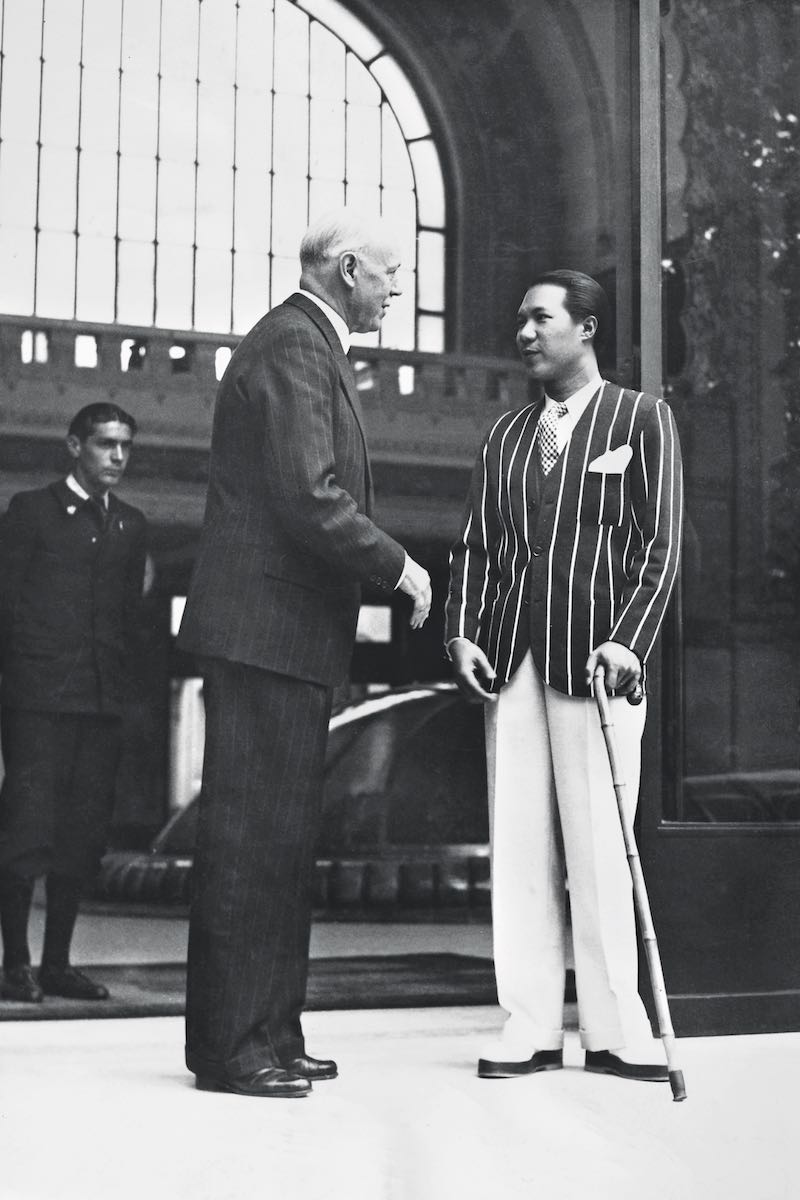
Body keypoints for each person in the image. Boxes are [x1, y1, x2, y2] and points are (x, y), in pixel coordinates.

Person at [177, 208, 432, 1099]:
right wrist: (399, 566)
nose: (398, 291)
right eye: (392, 274)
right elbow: (310, 497)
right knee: (252, 842)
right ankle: (232, 1047)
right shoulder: (293, 346)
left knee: (280, 845)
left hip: (280, 636)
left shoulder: (304, 345)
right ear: (347, 268)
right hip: (266, 635)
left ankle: (271, 1032)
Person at [446, 270, 683, 1083]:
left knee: (602, 849)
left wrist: (629, 642)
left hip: (598, 665)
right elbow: (475, 546)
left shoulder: (641, 419)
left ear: (586, 328)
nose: (523, 332)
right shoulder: (504, 437)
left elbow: (660, 549)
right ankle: (530, 1025)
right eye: (519, 320)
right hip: (511, 661)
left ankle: (618, 1028)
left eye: (540, 318)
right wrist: (460, 632)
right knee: (519, 850)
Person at [0, 403, 147, 1003]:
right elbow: (6, 609)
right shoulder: (31, 512)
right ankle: (15, 965)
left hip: (100, 705)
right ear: (73, 446)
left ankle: (58, 964)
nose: (117, 456)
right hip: (37, 703)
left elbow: (128, 624)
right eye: (105, 443)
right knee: (26, 832)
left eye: (125, 446)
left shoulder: (130, 525)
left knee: (81, 838)